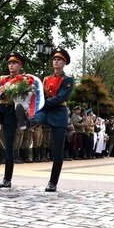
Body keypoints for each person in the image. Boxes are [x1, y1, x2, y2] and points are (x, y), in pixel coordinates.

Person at [0, 52, 28, 188]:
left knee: (9, 146)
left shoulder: (24, 79)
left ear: (20, 65)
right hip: (2, 107)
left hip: (12, 112)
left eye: (14, 63)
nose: (11, 65)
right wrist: (2, 90)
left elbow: (26, 94)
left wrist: (10, 90)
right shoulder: (2, 78)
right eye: (9, 63)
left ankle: (7, 179)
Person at [32, 48, 74, 192]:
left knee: (57, 150)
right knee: (34, 118)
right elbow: (41, 95)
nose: (56, 61)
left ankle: (53, 182)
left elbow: (60, 98)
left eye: (59, 59)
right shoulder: (46, 79)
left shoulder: (68, 80)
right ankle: (24, 123)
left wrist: (42, 103)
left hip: (58, 112)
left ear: (64, 63)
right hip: (46, 110)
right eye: (54, 59)